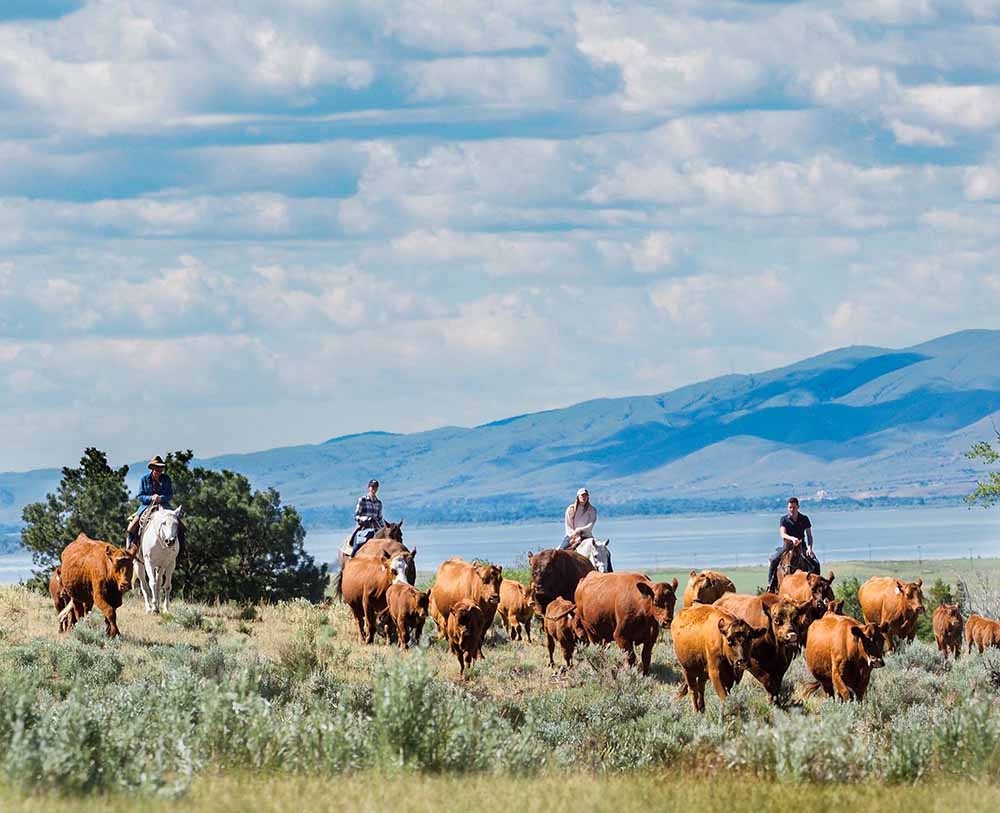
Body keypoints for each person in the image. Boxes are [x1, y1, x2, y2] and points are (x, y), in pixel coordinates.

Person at [127, 455, 186, 557]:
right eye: (156, 468)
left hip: (164, 506)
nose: (159, 470)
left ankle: (182, 551)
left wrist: (161, 498)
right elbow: (140, 496)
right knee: (131, 528)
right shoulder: (144, 479)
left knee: (180, 525)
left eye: (160, 468)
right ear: (152, 468)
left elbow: (169, 494)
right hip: (146, 506)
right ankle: (130, 551)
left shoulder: (166, 479)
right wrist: (151, 498)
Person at [767, 496, 818, 589]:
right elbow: (783, 534)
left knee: (816, 563)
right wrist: (792, 538)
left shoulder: (804, 518)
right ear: (787, 508)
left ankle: (817, 587)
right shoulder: (784, 519)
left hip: (802, 547)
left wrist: (810, 548)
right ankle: (770, 585)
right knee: (774, 560)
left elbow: (809, 535)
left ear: (798, 507)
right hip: (787, 546)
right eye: (790, 507)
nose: (792, 509)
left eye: (794, 507)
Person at [350, 479, 386, 556]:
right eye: (372, 486)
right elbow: (357, 516)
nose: (374, 488)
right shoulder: (362, 500)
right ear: (368, 487)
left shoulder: (379, 503)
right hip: (364, 527)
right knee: (357, 545)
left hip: (376, 528)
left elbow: (380, 518)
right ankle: (351, 558)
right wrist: (366, 518)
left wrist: (384, 528)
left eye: (376, 487)